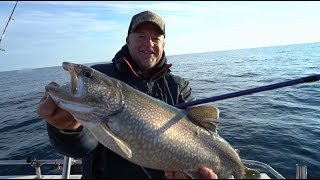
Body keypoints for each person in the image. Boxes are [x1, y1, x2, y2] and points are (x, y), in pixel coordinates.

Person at [37, 10, 218, 179]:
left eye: (156, 38)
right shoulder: (102, 75)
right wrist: (68, 130)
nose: (148, 43)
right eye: (141, 36)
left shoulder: (178, 86)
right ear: (128, 40)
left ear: (163, 44)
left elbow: (202, 131)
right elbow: (82, 148)